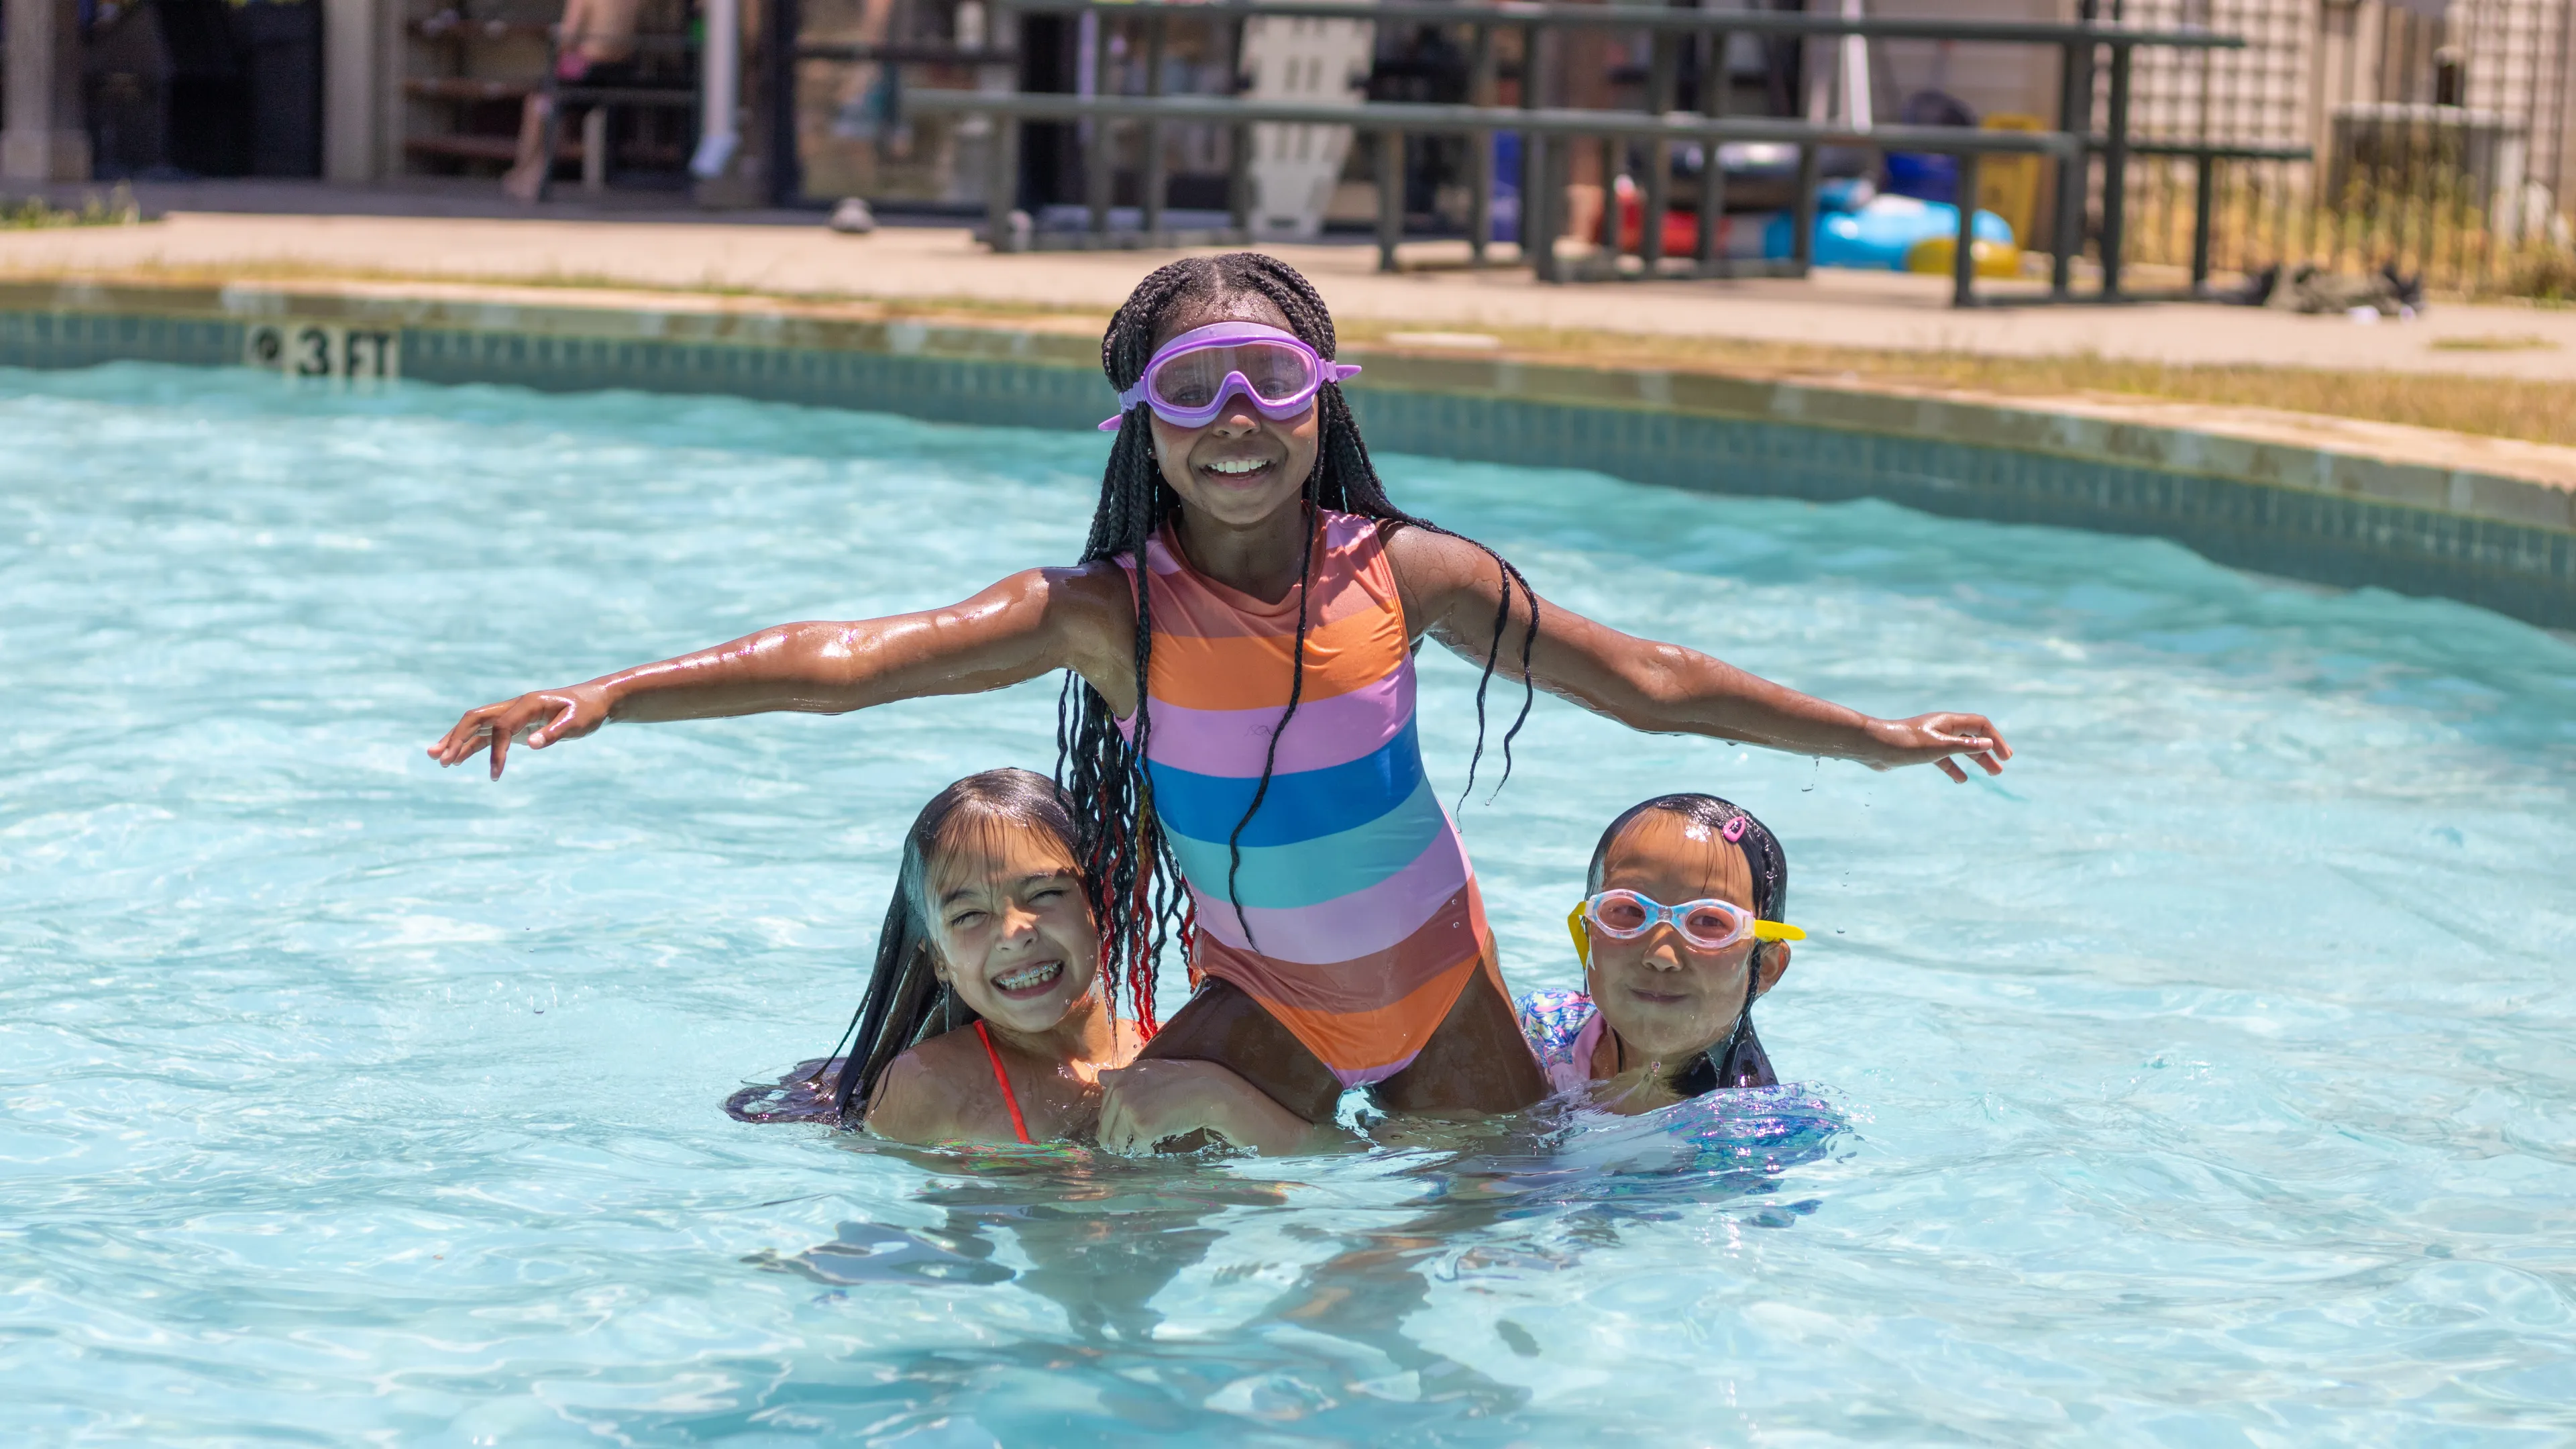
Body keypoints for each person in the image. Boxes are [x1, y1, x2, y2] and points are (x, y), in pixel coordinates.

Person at [427, 252, 2008, 1140]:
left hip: (1443, 979)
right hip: (1266, 989)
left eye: (1272, 385)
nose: (1236, 421)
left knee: (1514, 1218)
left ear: (1323, 407)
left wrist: (1869, 736)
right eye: (1192, 391)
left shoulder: (1412, 573)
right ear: (1144, 423)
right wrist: (612, 694)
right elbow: (852, 661)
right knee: (1125, 1155)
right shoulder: (1108, 614)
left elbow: (1650, 684)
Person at [806, 767, 1307, 1149]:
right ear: (938, 958)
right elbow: (887, 1240)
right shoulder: (931, 1086)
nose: (1013, 934)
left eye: (1044, 893)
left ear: (1101, 904)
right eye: (968, 916)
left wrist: (1215, 1099)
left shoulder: (1181, 1056)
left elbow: (1331, 1166)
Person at [1520, 794, 1797, 1112]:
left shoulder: (1756, 1132)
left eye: (1709, 921)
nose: (1661, 956)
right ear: (1588, 934)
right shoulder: (1541, 1027)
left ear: (1766, 968)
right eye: (1627, 911)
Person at [500, 0, 645, 203]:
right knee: (554, 106)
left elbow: (567, 37)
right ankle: (531, 171)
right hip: (621, 74)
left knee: (539, 104)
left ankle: (528, 172)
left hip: (588, 73)